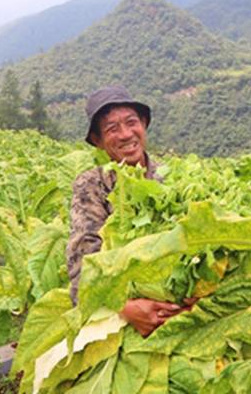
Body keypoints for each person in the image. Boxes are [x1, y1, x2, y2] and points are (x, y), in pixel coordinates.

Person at [66, 85, 189, 337]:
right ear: (98, 142)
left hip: (180, 303)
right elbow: (83, 260)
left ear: (143, 124)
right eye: (112, 129)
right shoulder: (92, 184)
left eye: (131, 122)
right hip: (122, 309)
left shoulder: (172, 176)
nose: (125, 134)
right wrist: (124, 308)